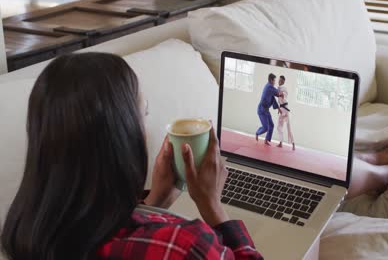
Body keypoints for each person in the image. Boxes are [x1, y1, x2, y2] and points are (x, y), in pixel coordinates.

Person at [0, 53, 263, 260]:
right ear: (122, 136)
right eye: (143, 114)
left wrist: (154, 202)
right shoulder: (184, 245)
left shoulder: (24, 232)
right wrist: (213, 206)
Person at [255, 73, 282, 146]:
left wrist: (278, 108)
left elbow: (273, 98)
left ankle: (266, 140)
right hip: (261, 110)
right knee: (266, 127)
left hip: (266, 110)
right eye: (274, 81)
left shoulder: (270, 88)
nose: (275, 82)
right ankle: (257, 133)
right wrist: (281, 89)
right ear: (271, 80)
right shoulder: (269, 87)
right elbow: (278, 93)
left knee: (271, 125)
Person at [276, 75, 295, 150]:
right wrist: (278, 108)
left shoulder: (284, 88)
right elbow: (279, 100)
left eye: (280, 80)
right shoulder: (279, 88)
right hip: (281, 109)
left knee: (288, 127)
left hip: (285, 109)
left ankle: (293, 144)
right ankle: (280, 143)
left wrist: (277, 92)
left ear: (283, 81)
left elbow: (283, 95)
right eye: (279, 80)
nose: (279, 81)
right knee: (279, 126)